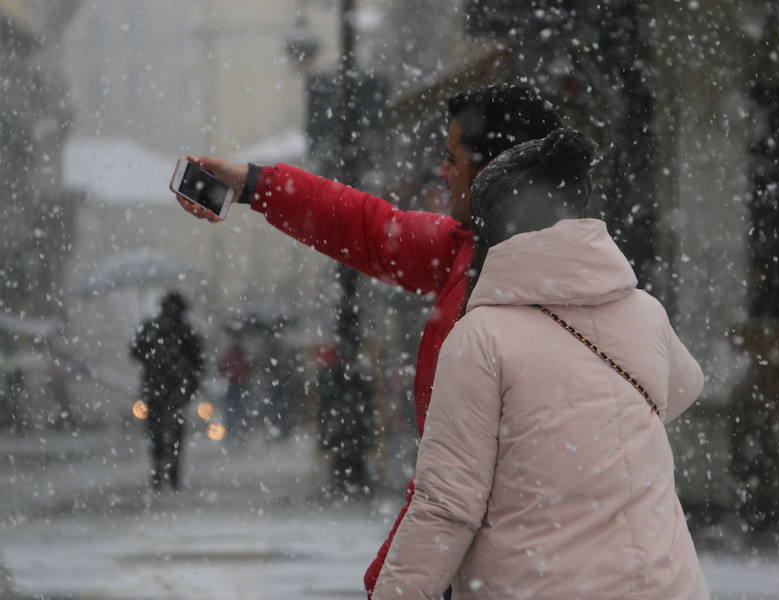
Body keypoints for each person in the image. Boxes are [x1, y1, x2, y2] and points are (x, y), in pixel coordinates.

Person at [175, 84, 562, 594]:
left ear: (495, 173)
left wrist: (392, 585)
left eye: (452, 159)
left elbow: (453, 492)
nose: (441, 173)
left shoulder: (526, 278)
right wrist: (253, 185)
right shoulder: (472, 253)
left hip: (520, 566)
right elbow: (376, 230)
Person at [372, 129, 709, 599]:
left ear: (494, 233)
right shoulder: (645, 312)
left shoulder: (481, 338)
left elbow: (447, 504)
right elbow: (680, 390)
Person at [130, 291, 204, 492]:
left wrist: (148, 356)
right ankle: (172, 473)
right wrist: (190, 385)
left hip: (155, 388)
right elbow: (198, 362)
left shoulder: (151, 327)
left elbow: (135, 352)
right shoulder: (185, 331)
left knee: (156, 432)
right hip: (175, 389)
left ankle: (158, 470)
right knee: (174, 432)